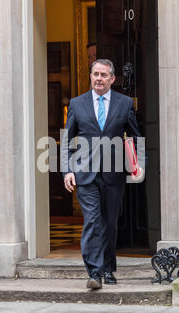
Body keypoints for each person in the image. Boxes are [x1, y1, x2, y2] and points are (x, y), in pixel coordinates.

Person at [61, 59, 143, 290]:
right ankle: (95, 273)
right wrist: (67, 170)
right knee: (93, 221)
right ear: (91, 76)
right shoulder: (77, 104)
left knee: (109, 223)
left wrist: (140, 164)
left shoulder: (125, 103)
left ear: (112, 79)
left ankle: (108, 268)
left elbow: (136, 136)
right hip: (85, 173)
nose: (99, 78)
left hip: (113, 173)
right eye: (95, 74)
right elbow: (67, 140)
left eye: (103, 75)